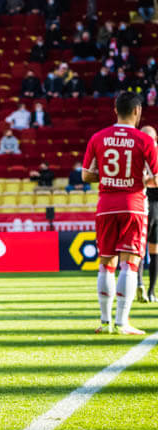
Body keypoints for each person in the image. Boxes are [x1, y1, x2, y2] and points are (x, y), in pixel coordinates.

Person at [80, 92, 158, 334]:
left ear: (115, 110)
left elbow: (86, 175)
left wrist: (109, 177)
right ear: (137, 111)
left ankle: (105, 322)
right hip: (133, 205)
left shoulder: (98, 137)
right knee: (130, 264)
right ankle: (122, 322)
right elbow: (156, 178)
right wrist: (139, 180)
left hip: (106, 206)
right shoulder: (145, 140)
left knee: (106, 263)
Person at [141, 126, 158, 303]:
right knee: (146, 249)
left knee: (145, 249)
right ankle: (146, 290)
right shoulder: (140, 153)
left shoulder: (140, 153)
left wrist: (145, 180)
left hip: (148, 204)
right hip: (146, 203)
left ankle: (147, 289)